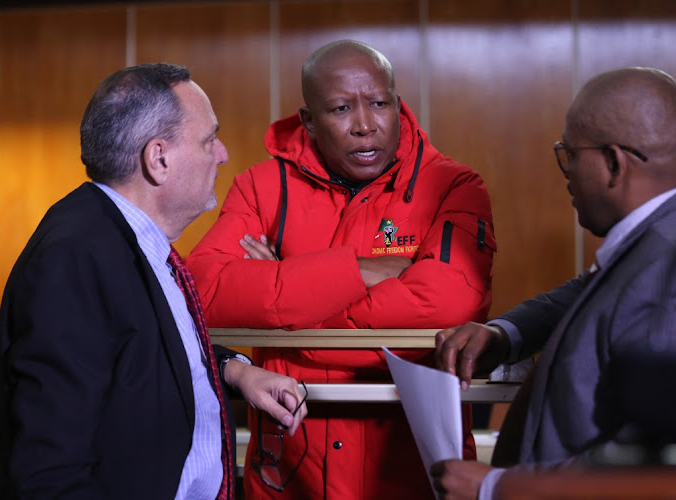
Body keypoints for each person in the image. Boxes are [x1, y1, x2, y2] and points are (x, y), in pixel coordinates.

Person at [187, 40, 496, 499]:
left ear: (396, 103)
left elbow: (449, 302)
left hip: (412, 475)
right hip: (290, 477)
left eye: (379, 103)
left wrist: (284, 301)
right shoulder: (261, 186)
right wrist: (358, 270)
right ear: (309, 120)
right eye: (339, 109)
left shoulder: (453, 185)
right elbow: (205, 295)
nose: (365, 125)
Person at [430, 66, 676, 499]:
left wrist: (498, 487)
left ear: (614, 163)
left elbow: (662, 464)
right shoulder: (666, 238)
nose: (566, 172)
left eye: (570, 154)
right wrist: (505, 335)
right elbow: (592, 292)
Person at [0, 63, 307, 500]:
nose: (222, 154)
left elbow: (139, 348)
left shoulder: (121, 238)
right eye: (208, 139)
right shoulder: (75, 257)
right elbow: (50, 469)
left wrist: (234, 371)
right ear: (159, 159)